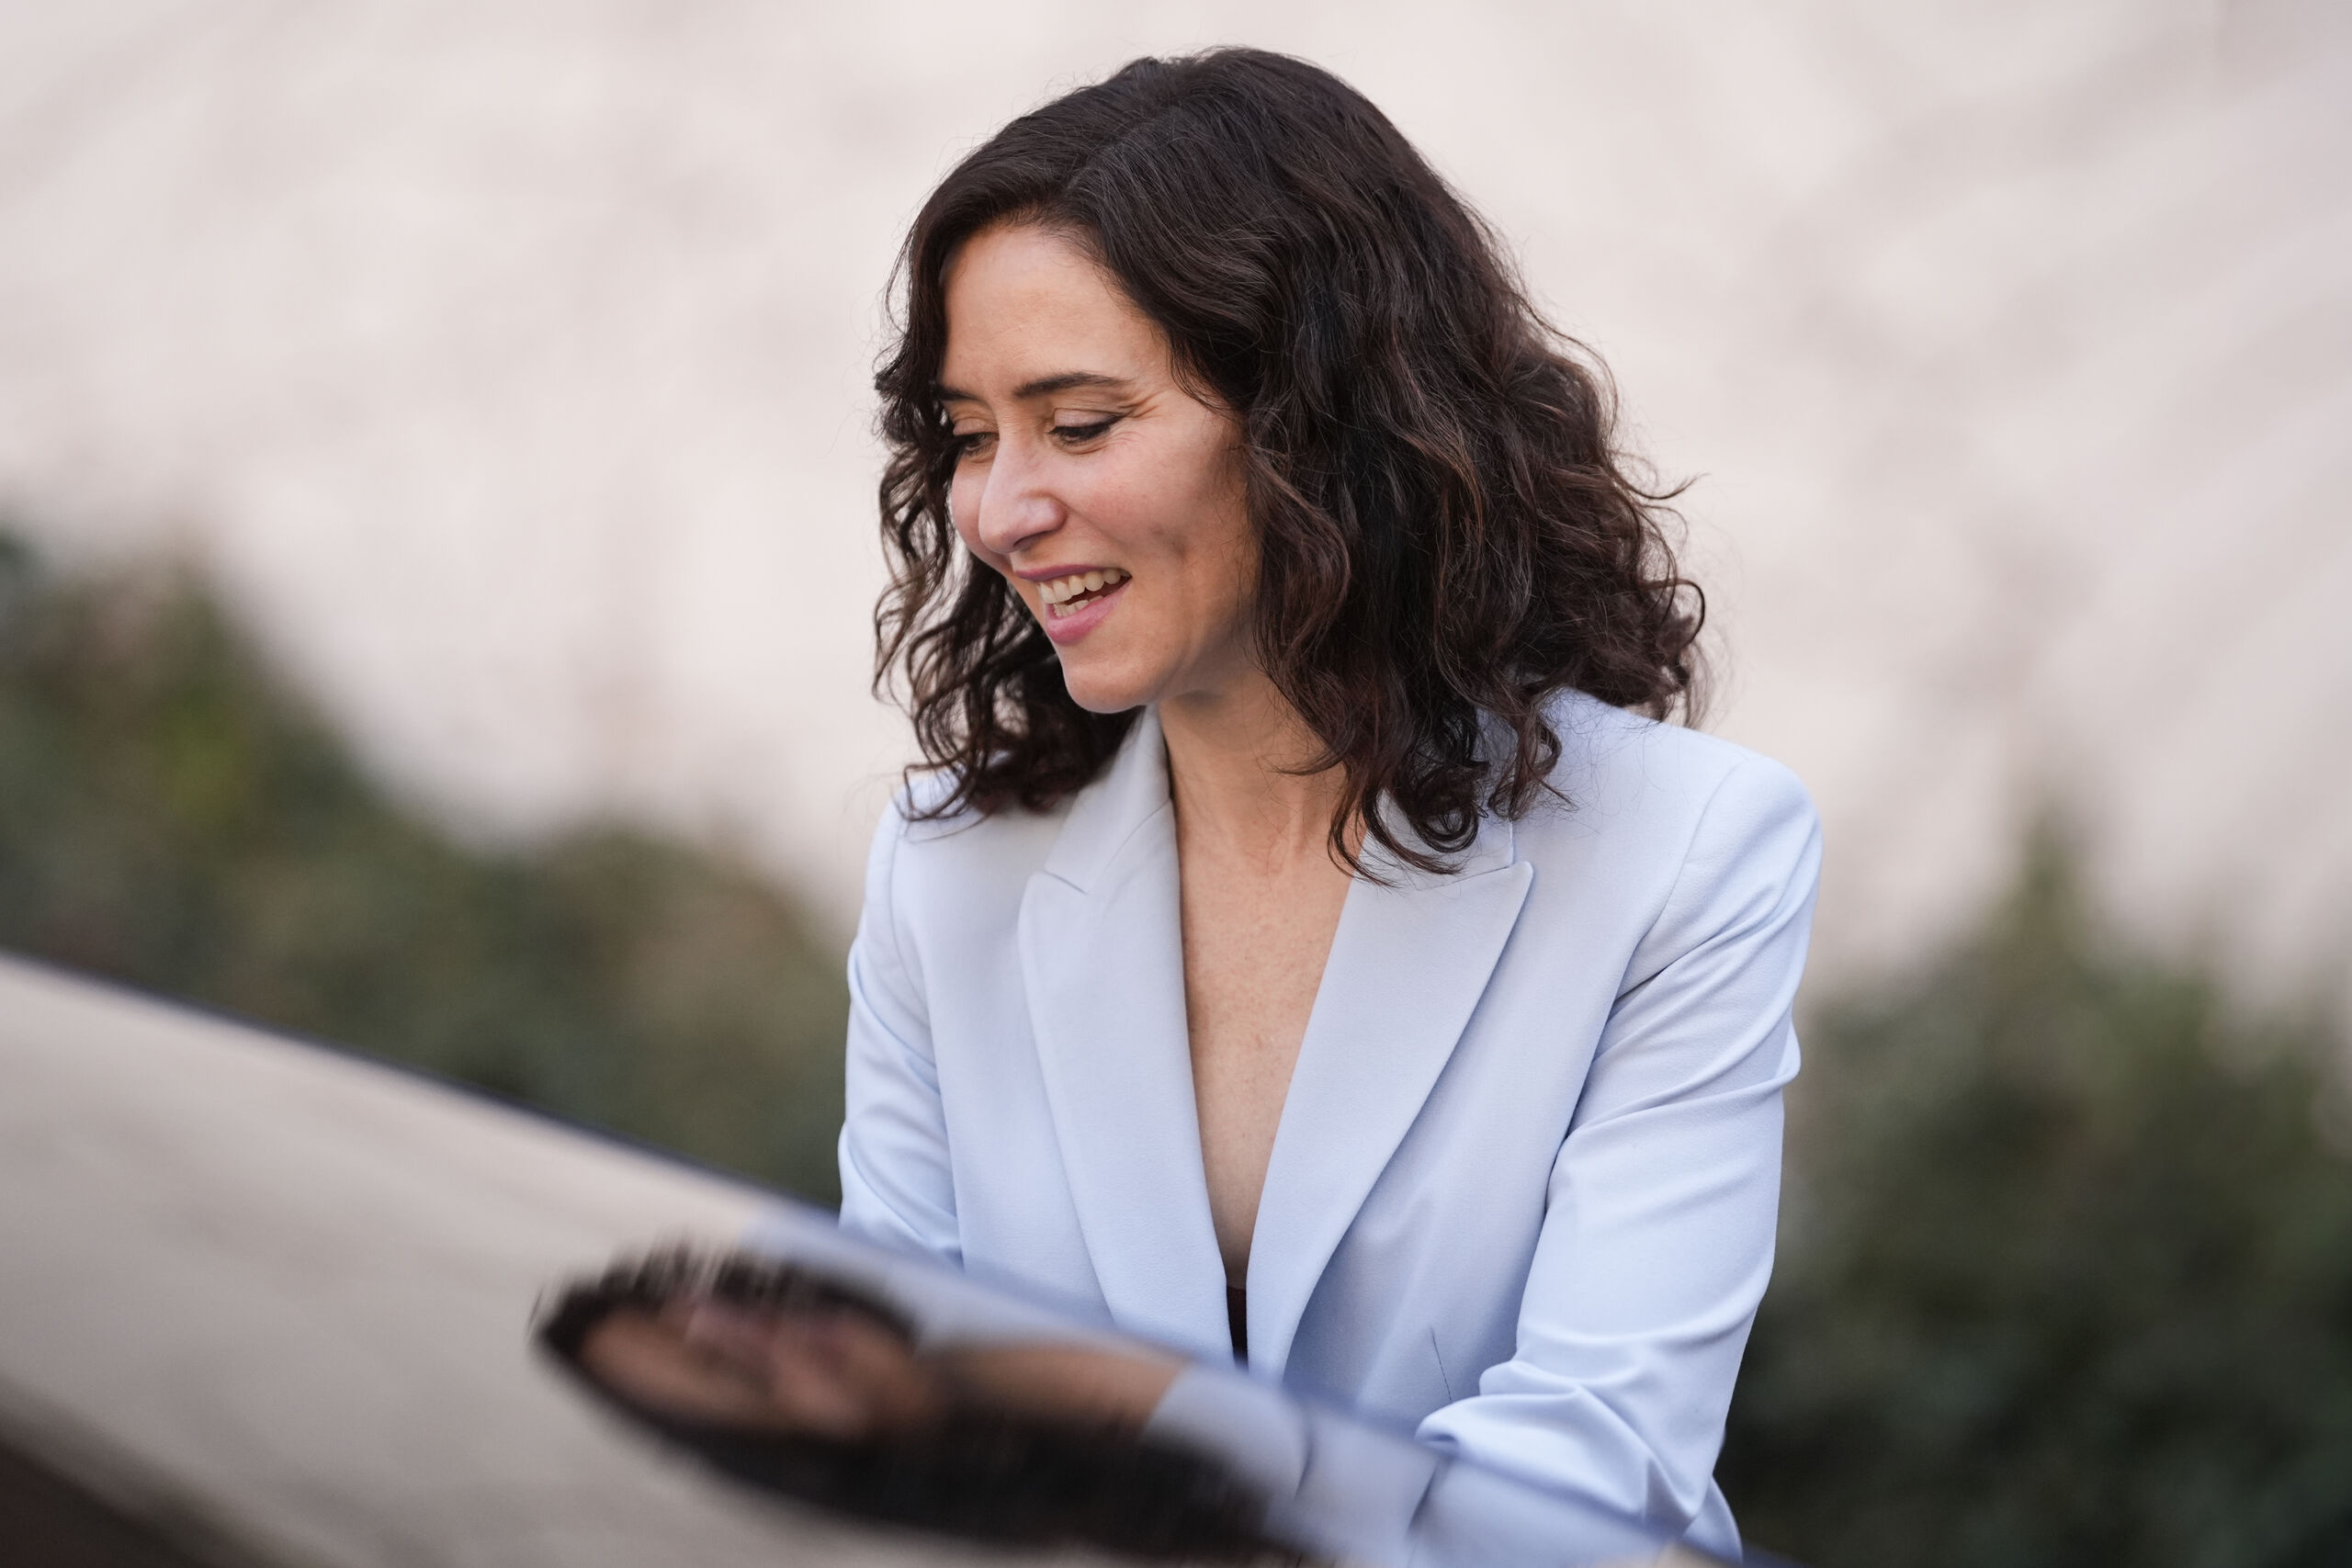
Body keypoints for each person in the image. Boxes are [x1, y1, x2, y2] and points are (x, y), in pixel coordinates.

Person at [837, 47, 1820, 1559]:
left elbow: (1593, 1466)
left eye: (1080, 424)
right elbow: (891, 1430)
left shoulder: (1686, 854)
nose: (1002, 511)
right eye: (971, 436)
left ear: (1317, 424)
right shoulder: (944, 875)